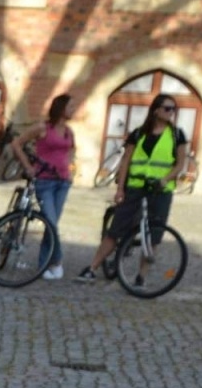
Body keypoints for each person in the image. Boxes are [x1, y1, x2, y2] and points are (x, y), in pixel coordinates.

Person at [77, 92, 189, 281]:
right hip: (135, 187)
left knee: (153, 235)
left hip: (160, 191)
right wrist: (120, 189)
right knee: (115, 230)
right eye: (167, 108)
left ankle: (140, 277)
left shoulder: (177, 135)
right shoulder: (138, 134)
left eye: (173, 109)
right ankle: (92, 267)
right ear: (156, 110)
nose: (171, 112)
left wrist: (165, 179)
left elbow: (180, 164)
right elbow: (126, 161)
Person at [13, 93, 77, 279]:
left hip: (62, 182)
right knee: (50, 221)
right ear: (61, 108)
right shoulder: (43, 128)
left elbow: (72, 149)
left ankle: (43, 264)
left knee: (53, 224)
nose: (73, 110)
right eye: (70, 106)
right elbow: (16, 144)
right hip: (45, 181)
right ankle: (57, 261)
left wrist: (70, 167)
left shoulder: (69, 131)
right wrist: (28, 166)